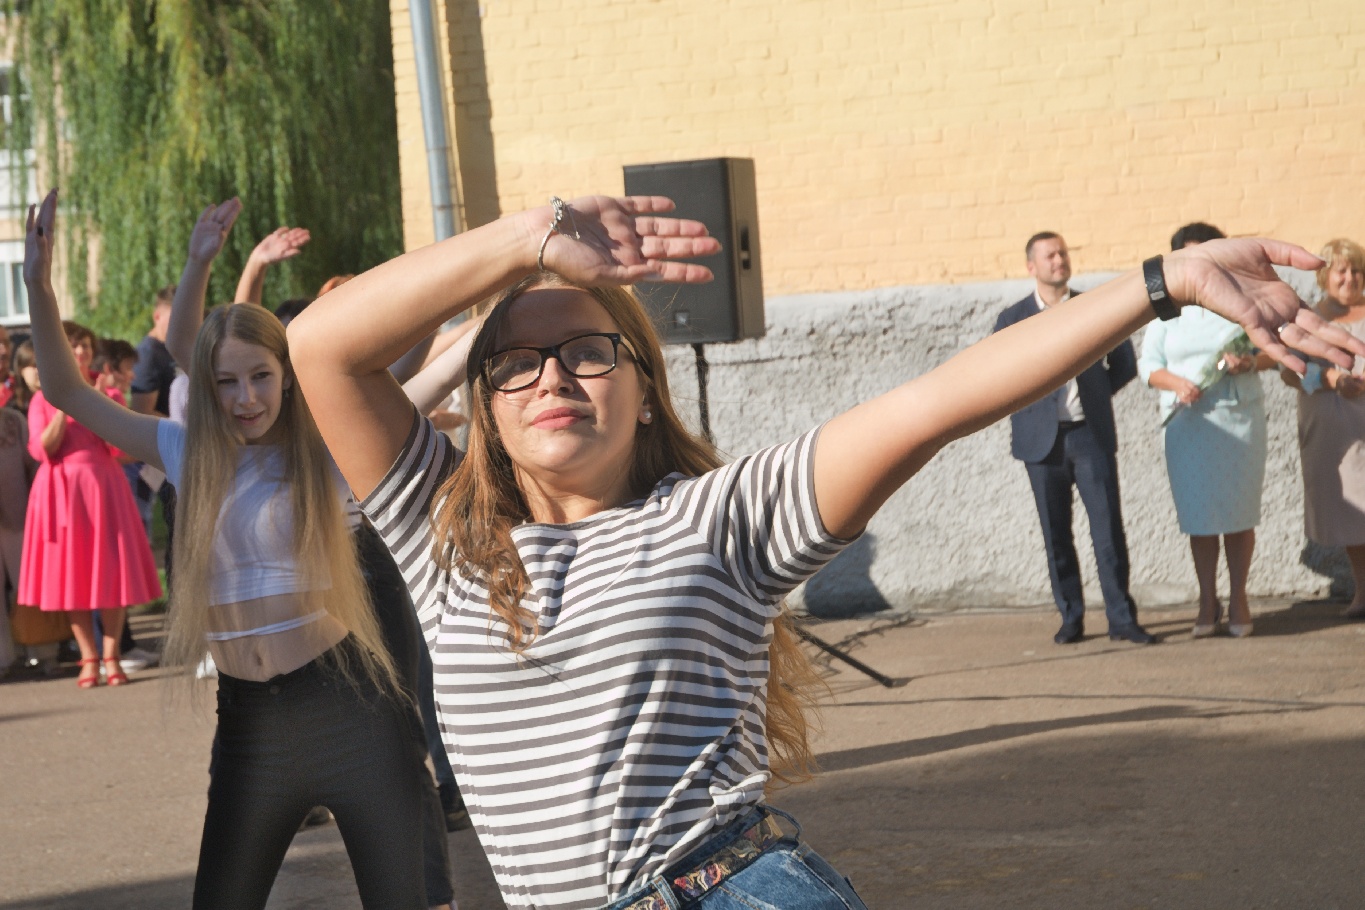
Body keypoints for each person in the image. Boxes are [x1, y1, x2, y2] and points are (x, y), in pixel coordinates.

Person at [286, 193, 1360, 910]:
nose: (552, 377)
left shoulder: (718, 517)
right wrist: (531, 235)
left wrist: (1162, 282)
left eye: (585, 350)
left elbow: (939, 400)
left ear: (645, 389)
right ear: (482, 405)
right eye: (514, 364)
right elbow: (320, 346)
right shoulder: (442, 537)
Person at [23, 192, 448, 909]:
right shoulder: (184, 450)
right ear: (206, 386)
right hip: (251, 726)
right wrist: (38, 284)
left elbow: (403, 368)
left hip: (352, 709)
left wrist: (464, 285)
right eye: (225, 382)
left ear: (287, 375)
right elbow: (66, 388)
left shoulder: (323, 449)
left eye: (260, 377)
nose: (245, 398)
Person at [994, 232, 1150, 645]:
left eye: (1062, 253)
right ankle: (1071, 618)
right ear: (1031, 266)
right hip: (1040, 444)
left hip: (1089, 435)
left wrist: (1095, 395)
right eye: (1049, 255)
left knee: (1108, 532)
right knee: (1056, 535)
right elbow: (998, 376)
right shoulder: (1012, 319)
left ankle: (1122, 619)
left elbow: (1124, 364)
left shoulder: (1093, 307)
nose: (1059, 260)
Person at [1139, 222, 1268, 637]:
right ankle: (1207, 599)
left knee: (1239, 514)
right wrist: (1177, 383)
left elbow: (1272, 350)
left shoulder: (1242, 300)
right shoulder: (1166, 309)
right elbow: (1148, 366)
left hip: (1237, 419)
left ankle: (1239, 597)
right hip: (1188, 425)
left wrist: (1248, 362)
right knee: (1199, 517)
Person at [17, 318, 162, 687]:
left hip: (103, 489)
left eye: (84, 345)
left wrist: (98, 403)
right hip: (61, 493)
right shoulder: (42, 398)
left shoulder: (108, 393)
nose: (80, 351)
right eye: (73, 345)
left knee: (111, 573)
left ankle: (112, 656)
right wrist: (66, 406)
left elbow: (121, 449)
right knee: (71, 577)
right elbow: (42, 449)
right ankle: (88, 658)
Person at [1282, 238, 1365, 620]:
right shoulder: (1307, 320)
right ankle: (1363, 591)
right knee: (1352, 511)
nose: (1350, 277)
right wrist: (1331, 379)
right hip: (1333, 431)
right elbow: (1288, 372)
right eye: (1341, 270)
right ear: (1324, 276)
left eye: (1357, 270)